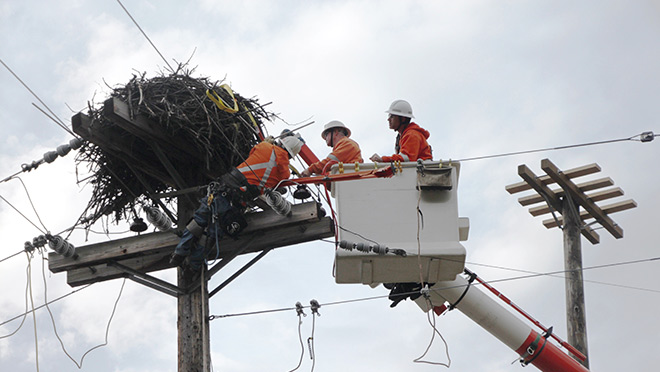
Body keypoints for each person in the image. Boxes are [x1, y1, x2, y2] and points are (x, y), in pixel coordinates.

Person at [169, 132, 304, 271]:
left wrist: (269, 144)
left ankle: (179, 254)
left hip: (222, 189)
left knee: (199, 220)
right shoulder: (285, 174)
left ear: (281, 142)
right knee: (211, 233)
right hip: (237, 204)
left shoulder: (264, 146)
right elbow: (277, 182)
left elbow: (253, 152)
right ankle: (194, 266)